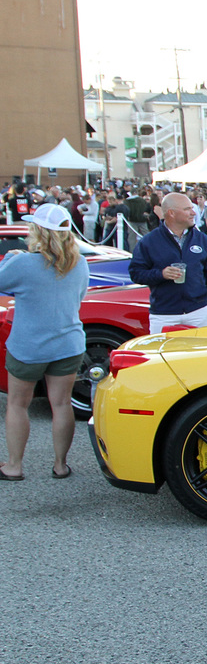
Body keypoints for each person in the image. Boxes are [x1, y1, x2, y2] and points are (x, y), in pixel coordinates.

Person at [0, 204, 90, 481]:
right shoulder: (80, 263)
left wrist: (9, 260)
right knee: (61, 404)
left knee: (17, 404)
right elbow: (80, 297)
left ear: (38, 230)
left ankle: (14, 466)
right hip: (68, 342)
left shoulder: (23, 262)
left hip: (29, 345)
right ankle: (60, 465)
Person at [127, 190, 207, 335]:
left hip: (198, 312)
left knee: (197, 356)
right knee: (163, 356)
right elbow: (136, 274)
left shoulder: (202, 240)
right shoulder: (149, 242)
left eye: (192, 208)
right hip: (164, 315)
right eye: (187, 209)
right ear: (171, 213)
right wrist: (161, 274)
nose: (193, 213)